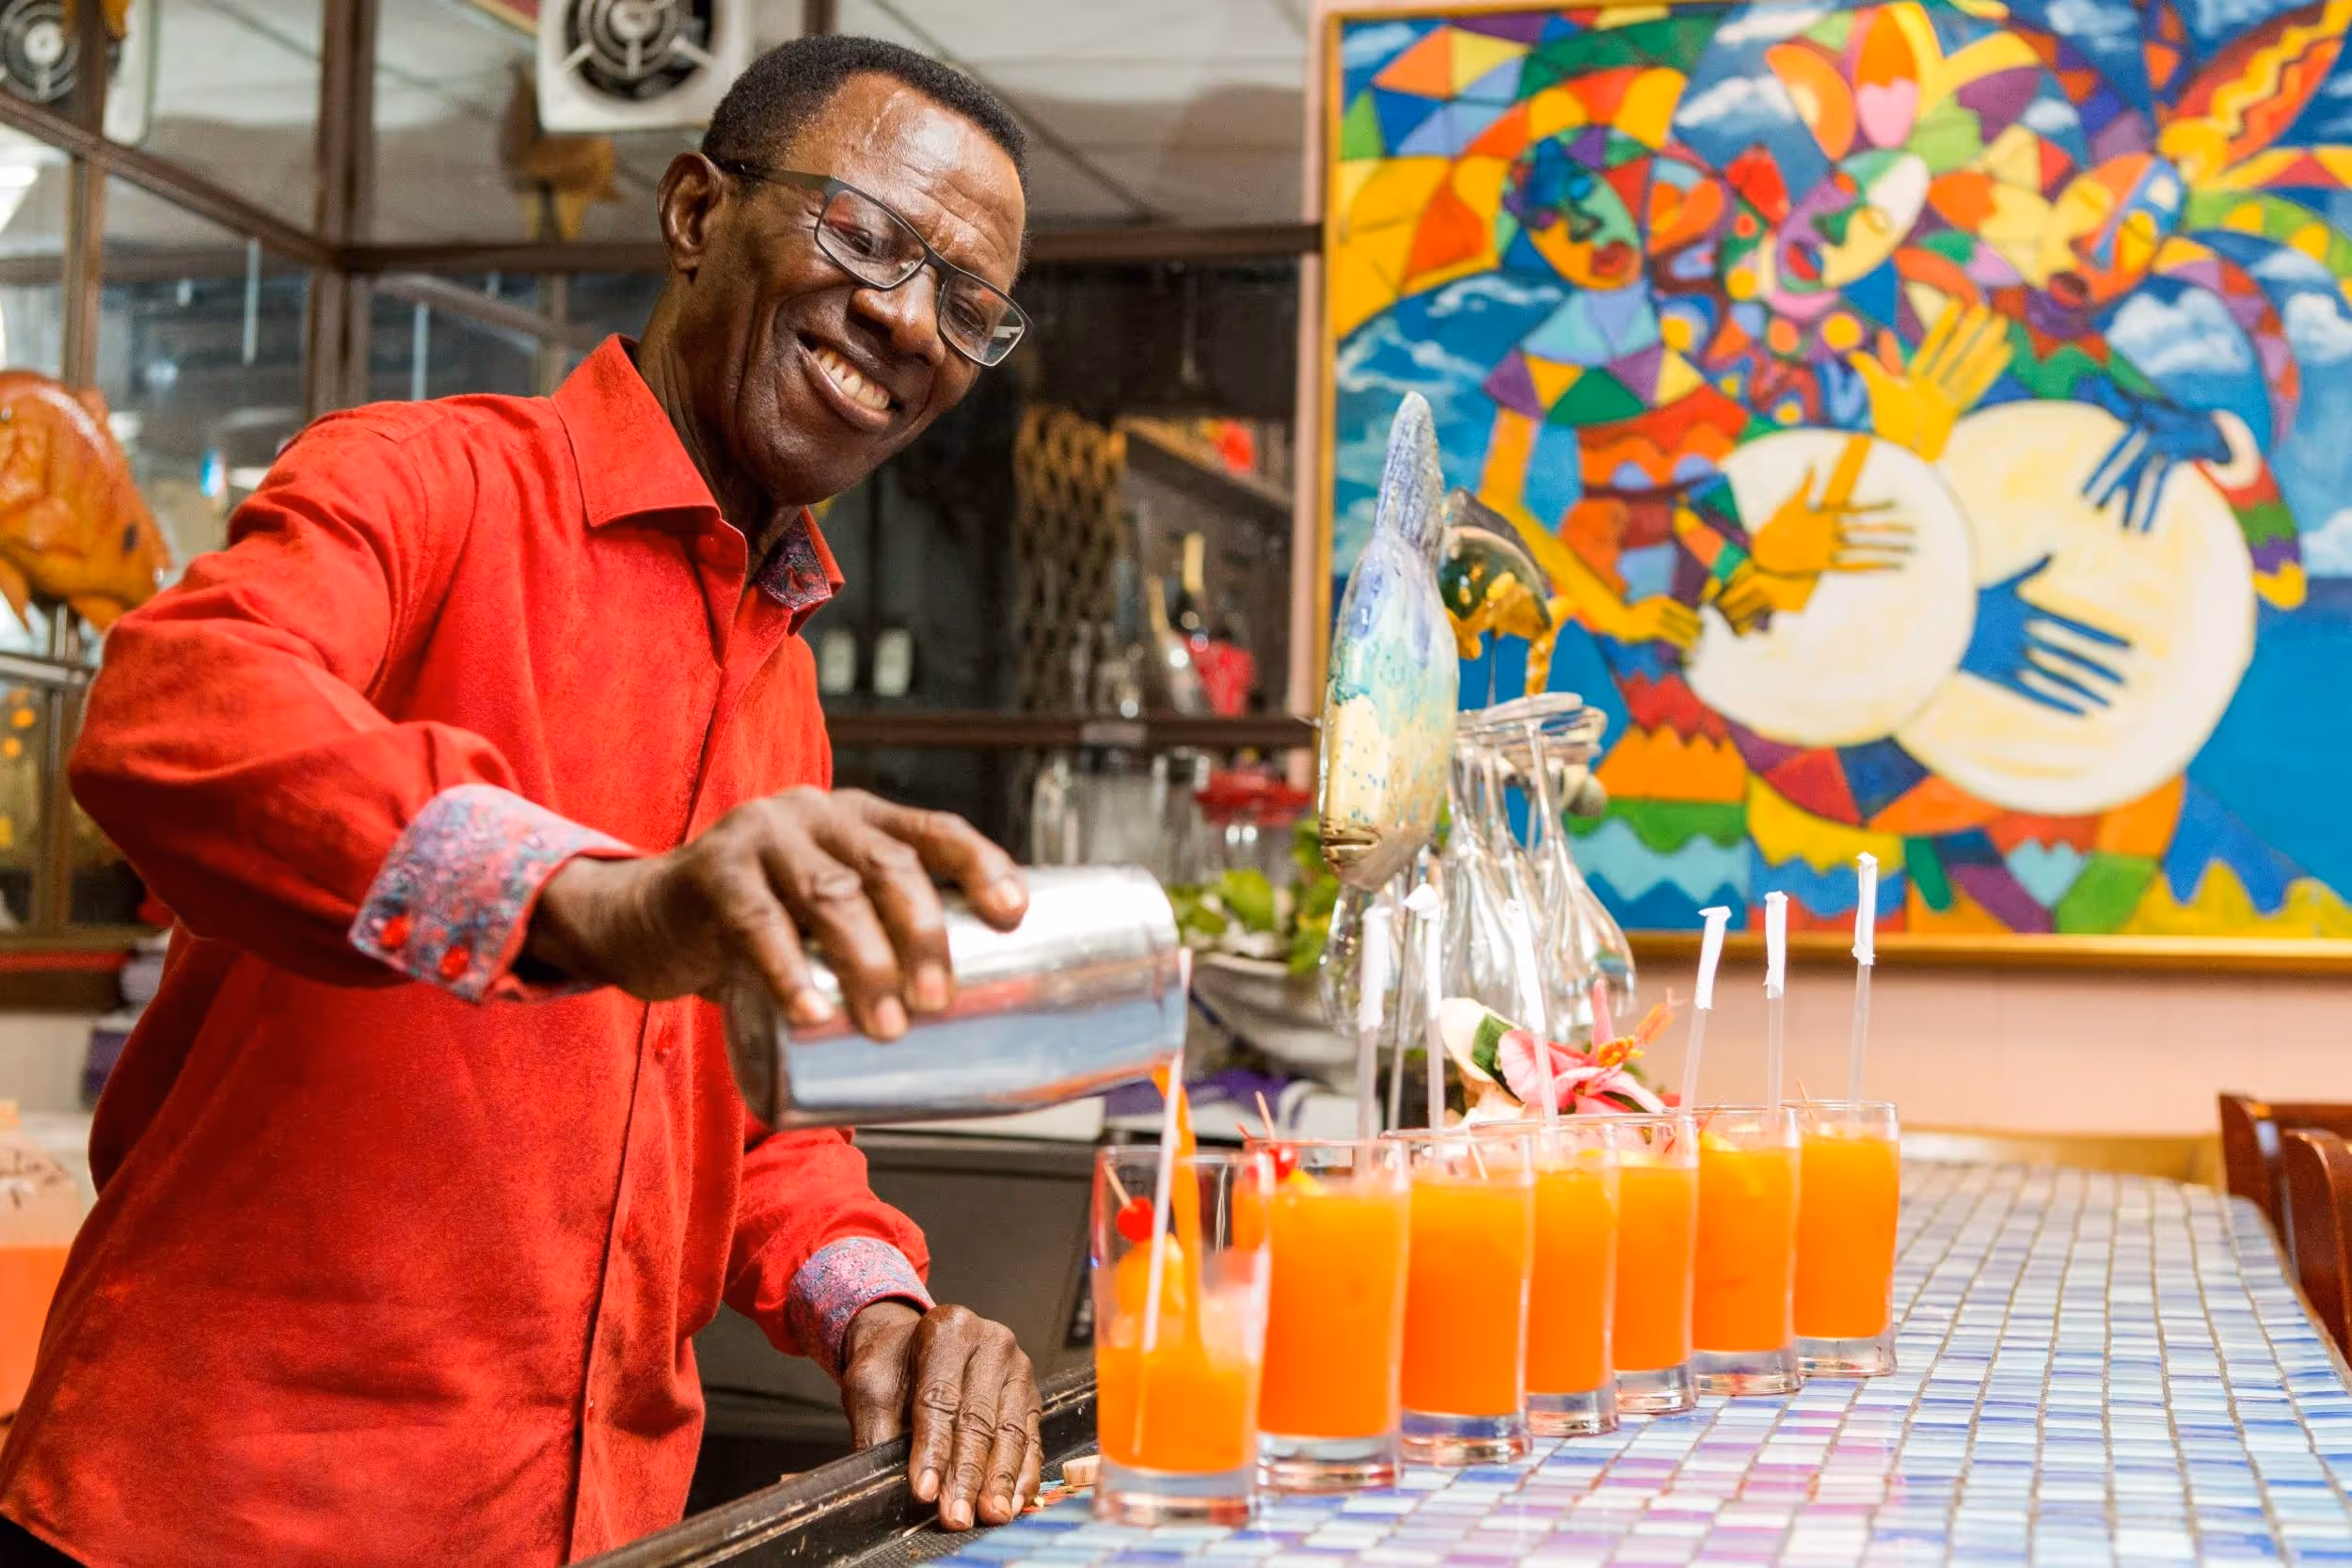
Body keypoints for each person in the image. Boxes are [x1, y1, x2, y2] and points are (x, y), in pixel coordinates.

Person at [0, 35, 1047, 1568]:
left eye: (968, 303)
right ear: (696, 213)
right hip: (218, 1515)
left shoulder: (780, 682)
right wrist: (597, 901)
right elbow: (174, 707)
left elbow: (745, 1122)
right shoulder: (425, 482)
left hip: (596, 1534)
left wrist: (874, 1306)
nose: (904, 319)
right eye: (865, 236)